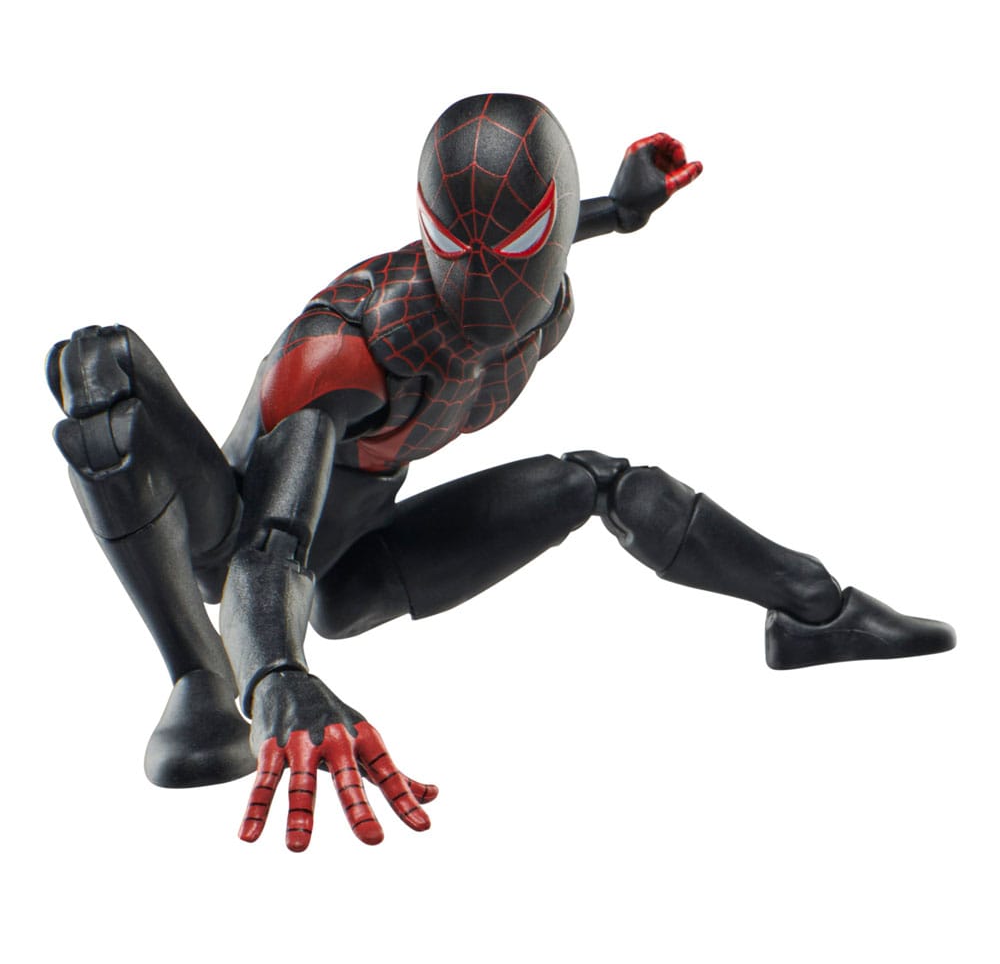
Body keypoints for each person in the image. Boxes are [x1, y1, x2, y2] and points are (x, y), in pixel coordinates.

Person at [47, 94, 955, 852]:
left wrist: (620, 210)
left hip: (356, 566)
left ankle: (813, 611)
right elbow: (267, 549)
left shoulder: (541, 300)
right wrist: (277, 673)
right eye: (461, 250)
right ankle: (197, 679)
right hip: (232, 539)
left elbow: (535, 243)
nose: (487, 283)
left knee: (599, 481)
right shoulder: (346, 359)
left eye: (516, 248)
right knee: (98, 364)